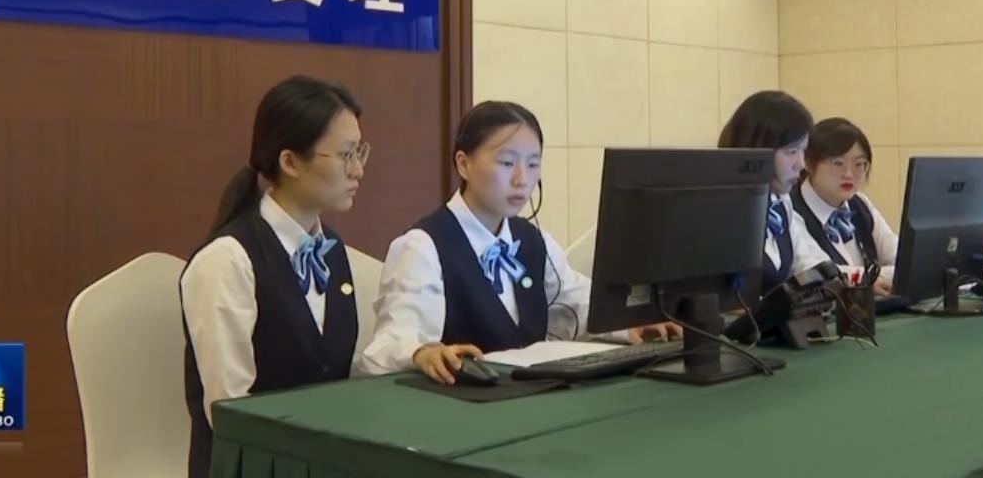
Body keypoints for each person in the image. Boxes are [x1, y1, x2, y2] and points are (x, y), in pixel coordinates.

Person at [359, 100, 677, 385]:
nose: (522, 180)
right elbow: (388, 344)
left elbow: (577, 302)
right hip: (458, 407)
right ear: (463, 164)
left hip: (532, 397)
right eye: (507, 163)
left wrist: (630, 325)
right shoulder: (423, 247)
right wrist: (420, 352)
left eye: (533, 164)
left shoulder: (533, 241)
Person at [179, 75, 368, 478]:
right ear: (290, 162)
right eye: (346, 155)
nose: (359, 171)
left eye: (360, 152)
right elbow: (230, 412)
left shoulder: (331, 250)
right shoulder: (227, 260)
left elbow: (337, 374)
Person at [718, 91, 832, 295]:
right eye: (792, 152)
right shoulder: (717, 208)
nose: (801, 164)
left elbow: (809, 261)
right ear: (757, 148)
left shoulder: (780, 203)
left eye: (803, 151)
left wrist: (846, 283)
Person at [790, 118, 898, 294]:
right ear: (808, 163)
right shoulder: (791, 210)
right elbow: (817, 273)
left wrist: (864, 278)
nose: (849, 174)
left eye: (859, 164)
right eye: (838, 164)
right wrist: (865, 279)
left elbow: (903, 261)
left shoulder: (859, 203)